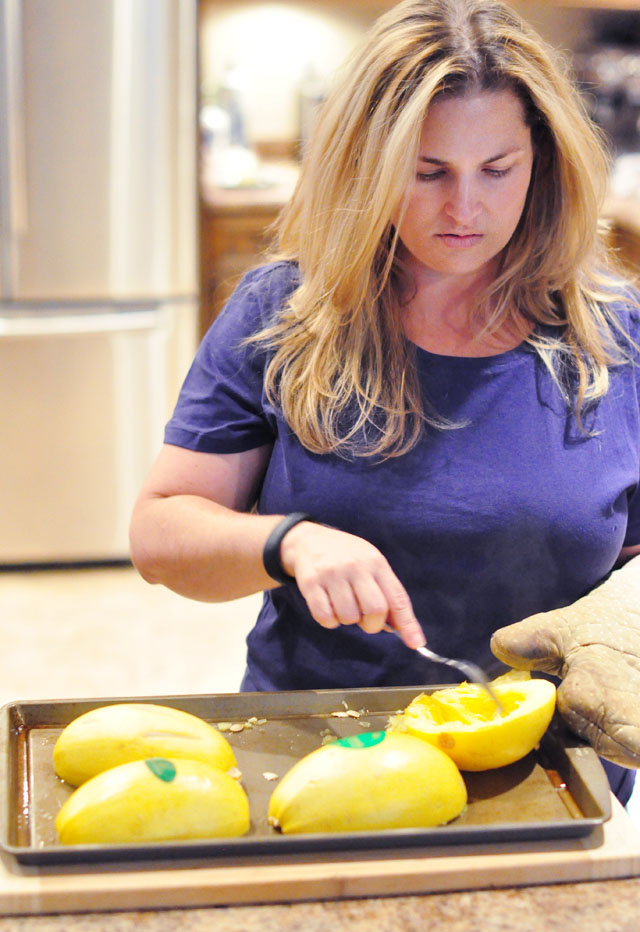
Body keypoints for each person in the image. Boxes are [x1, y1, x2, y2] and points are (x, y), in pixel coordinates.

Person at [129, 0, 640, 802]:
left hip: (551, 779)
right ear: (366, 163)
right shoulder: (285, 312)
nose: (464, 210)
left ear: (544, 160)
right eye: (428, 172)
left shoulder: (616, 337)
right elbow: (161, 534)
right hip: (320, 755)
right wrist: (288, 544)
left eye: (496, 170)